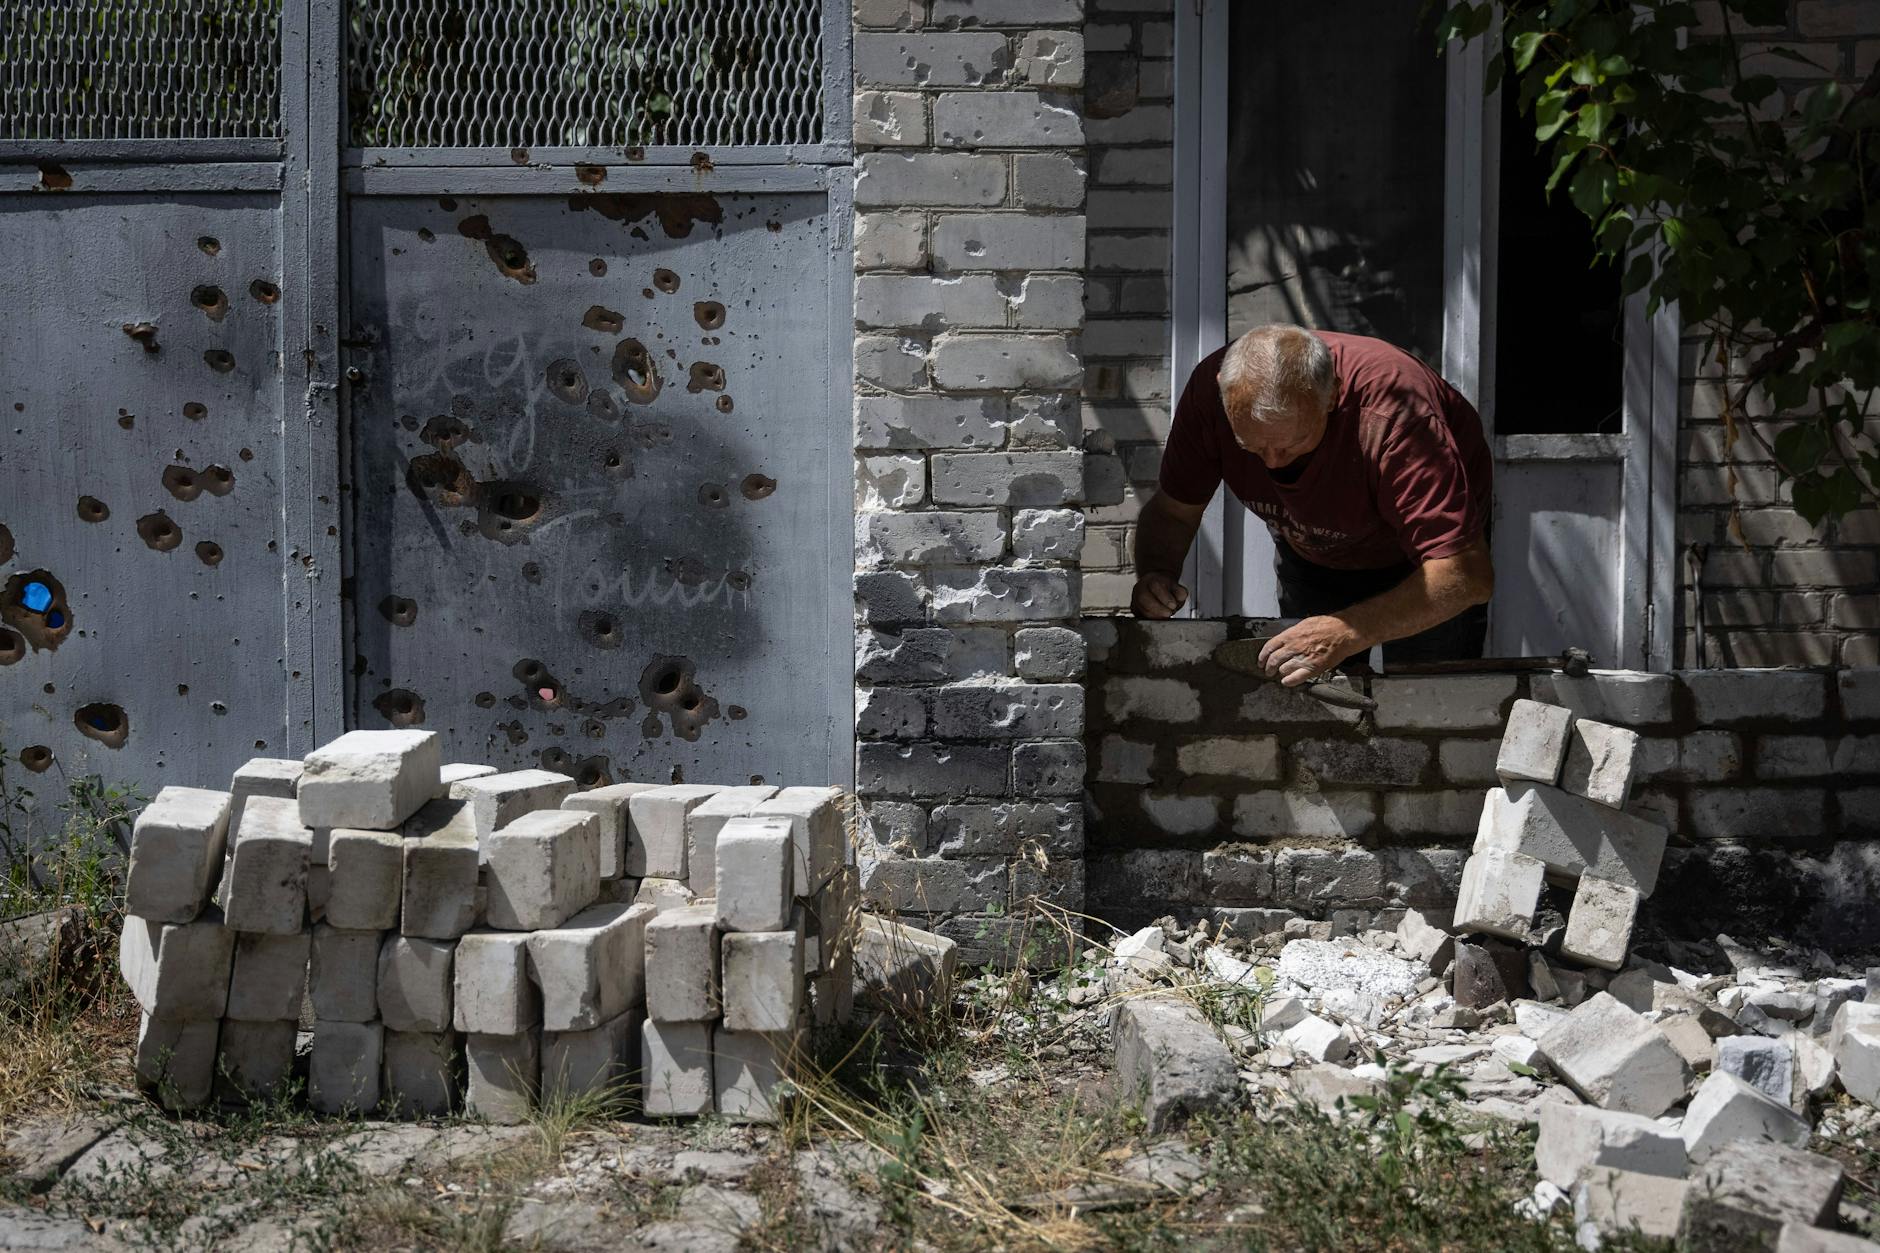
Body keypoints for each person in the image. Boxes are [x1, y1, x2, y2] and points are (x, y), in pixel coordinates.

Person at [1132, 324, 1494, 686]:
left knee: (1430, 698)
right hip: (1313, 549)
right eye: (1252, 447)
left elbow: (1464, 575)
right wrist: (1156, 573)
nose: (1273, 463)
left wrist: (1346, 631)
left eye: (1293, 444)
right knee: (1310, 695)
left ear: (1333, 395)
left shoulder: (1395, 414)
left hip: (1421, 564)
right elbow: (1174, 512)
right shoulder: (1207, 398)